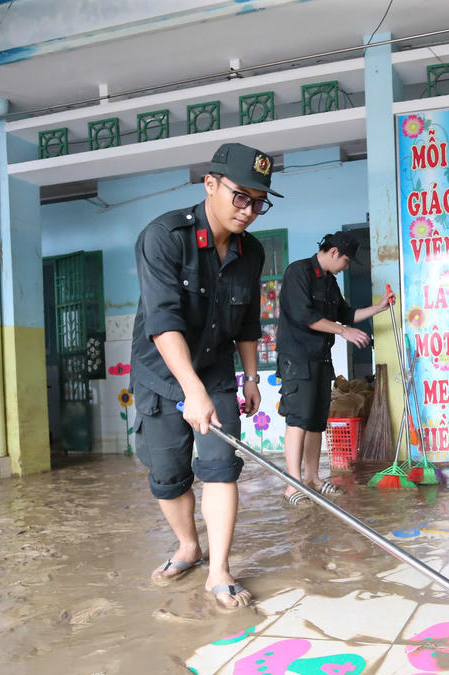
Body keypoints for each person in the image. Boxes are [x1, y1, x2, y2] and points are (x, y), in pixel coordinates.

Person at [129, 142, 279, 610]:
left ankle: (219, 570)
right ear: (210, 184)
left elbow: (248, 319)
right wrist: (191, 392)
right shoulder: (164, 237)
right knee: (168, 474)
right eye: (241, 197)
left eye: (259, 202)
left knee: (220, 465)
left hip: (216, 370)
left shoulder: (251, 251)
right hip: (160, 373)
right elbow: (163, 322)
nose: (249, 211)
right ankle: (188, 547)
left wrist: (250, 378)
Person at [276, 231, 394, 505]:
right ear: (333, 252)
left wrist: (378, 308)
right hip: (297, 359)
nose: (346, 266)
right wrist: (343, 331)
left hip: (320, 358)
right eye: (346, 260)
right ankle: (293, 485)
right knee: (298, 419)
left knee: (316, 421)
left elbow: (346, 314)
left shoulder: (329, 281)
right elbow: (305, 316)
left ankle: (312, 479)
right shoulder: (299, 272)